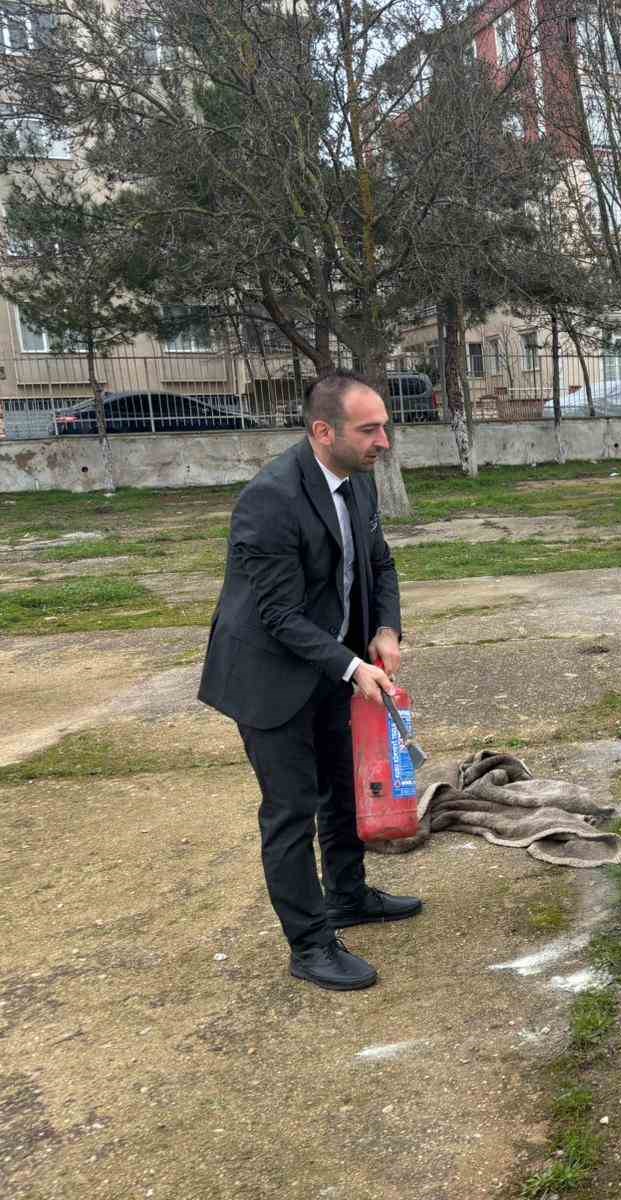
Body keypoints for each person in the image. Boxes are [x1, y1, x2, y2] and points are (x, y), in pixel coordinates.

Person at [198, 370, 421, 990]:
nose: (385, 441)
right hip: (269, 677)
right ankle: (310, 944)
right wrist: (353, 666)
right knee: (291, 810)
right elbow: (276, 614)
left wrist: (385, 631)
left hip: (332, 665)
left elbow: (381, 565)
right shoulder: (271, 498)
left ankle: (347, 896)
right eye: (369, 429)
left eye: (385, 426)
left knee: (346, 790)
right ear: (324, 432)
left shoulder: (357, 484)